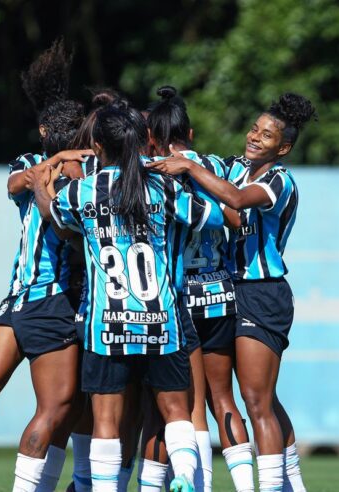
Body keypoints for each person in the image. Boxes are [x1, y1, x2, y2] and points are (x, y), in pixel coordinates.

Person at [28, 99, 224, 492]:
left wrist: (39, 189)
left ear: (97, 147)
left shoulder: (85, 191)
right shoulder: (162, 185)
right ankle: (184, 475)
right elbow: (214, 218)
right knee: (176, 412)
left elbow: (56, 218)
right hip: (163, 321)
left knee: (107, 420)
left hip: (107, 323)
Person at [0, 39, 93, 492]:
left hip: (44, 301)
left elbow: (42, 187)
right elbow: (17, 182)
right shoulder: (34, 165)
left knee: (52, 403)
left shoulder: (83, 172)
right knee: (12, 390)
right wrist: (61, 159)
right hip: (35, 301)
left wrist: (66, 162)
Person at [148, 92, 315, 492]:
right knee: (261, 401)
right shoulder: (234, 167)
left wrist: (187, 164)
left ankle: (271, 487)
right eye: (254, 129)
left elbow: (237, 202)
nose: (255, 137)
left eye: (268, 135)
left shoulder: (280, 180)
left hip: (262, 292)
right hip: (228, 289)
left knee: (257, 401)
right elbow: (200, 169)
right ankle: (292, 486)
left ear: (284, 147)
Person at [139, 85, 251, 492]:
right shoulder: (218, 166)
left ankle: (197, 485)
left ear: (151, 136)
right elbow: (239, 219)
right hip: (220, 295)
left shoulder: (151, 171)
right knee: (224, 400)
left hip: (177, 300)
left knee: (184, 409)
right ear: (192, 131)